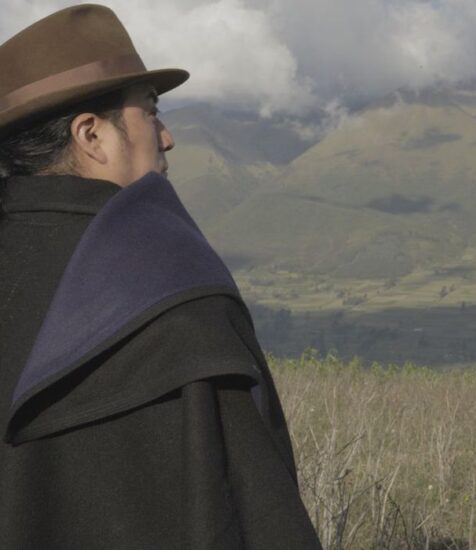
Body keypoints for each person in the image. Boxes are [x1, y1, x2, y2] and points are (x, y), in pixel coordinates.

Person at [0, 5, 321, 549]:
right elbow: (256, 513)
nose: (166, 137)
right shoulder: (174, 292)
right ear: (92, 136)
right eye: (150, 111)